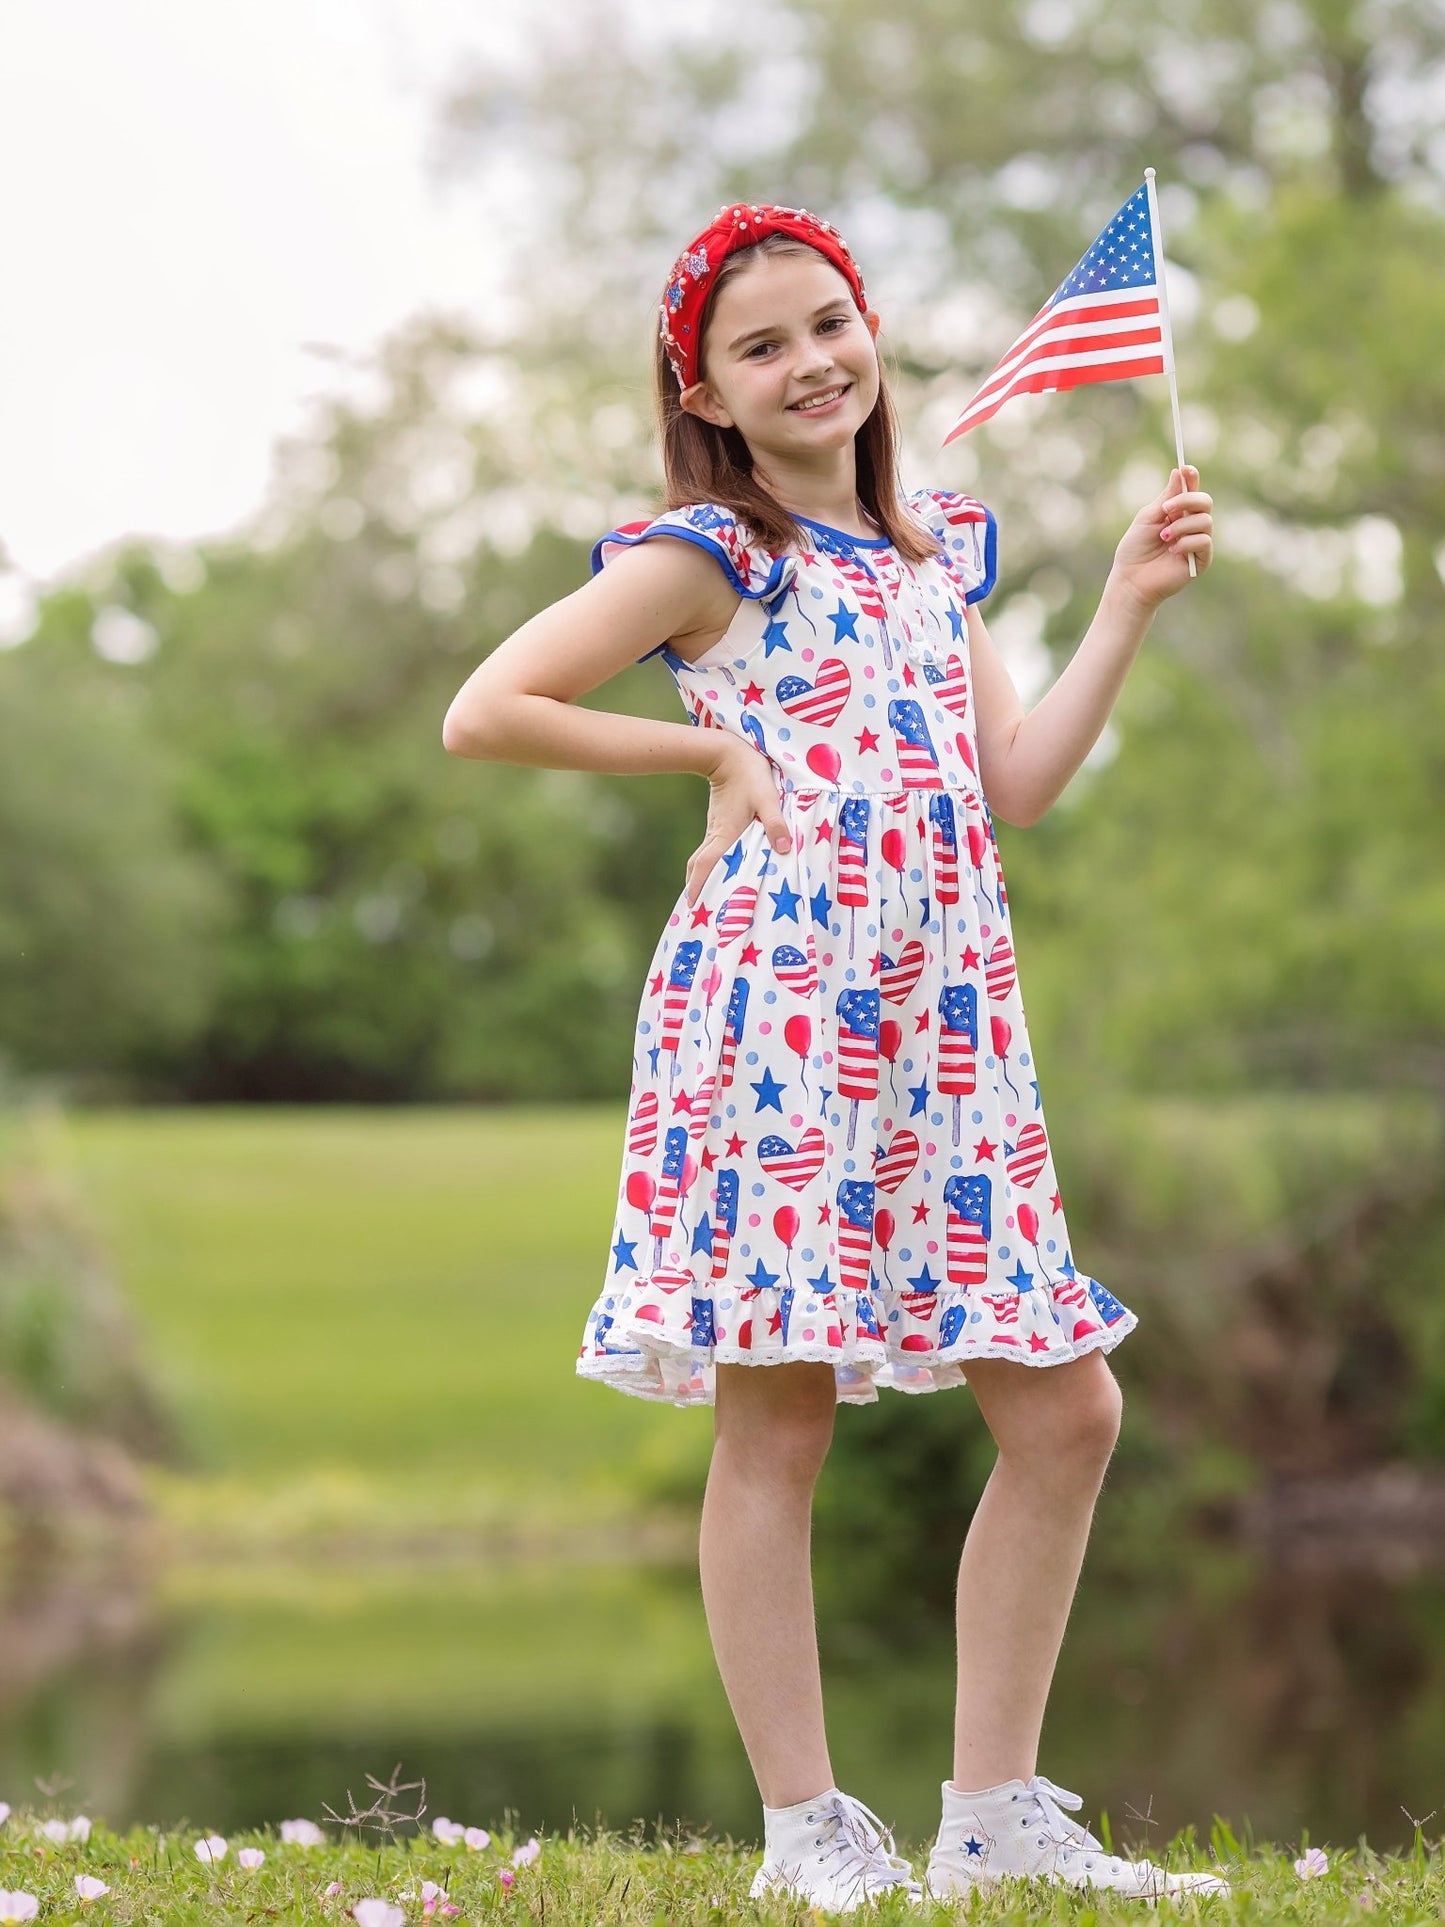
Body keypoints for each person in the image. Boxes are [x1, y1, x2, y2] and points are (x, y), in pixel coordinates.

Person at [442, 202, 1223, 1914]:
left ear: (873, 333)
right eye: (762, 345)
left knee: (1067, 1408)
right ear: (706, 393)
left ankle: (994, 1812)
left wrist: (1125, 605)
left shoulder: (936, 543)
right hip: (783, 1013)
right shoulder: (713, 554)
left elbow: (1011, 782)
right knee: (776, 1419)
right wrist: (705, 755)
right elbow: (488, 706)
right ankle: (804, 1829)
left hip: (946, 1024)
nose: (811, 363)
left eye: (828, 324)